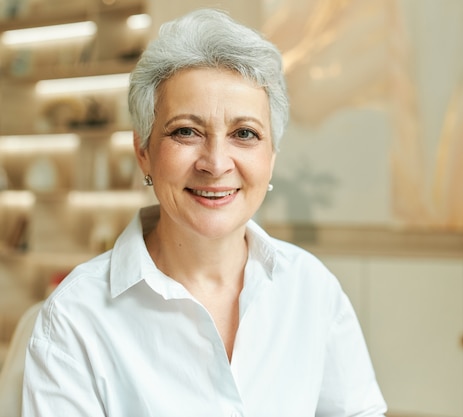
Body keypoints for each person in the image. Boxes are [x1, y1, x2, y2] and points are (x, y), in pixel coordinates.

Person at [22, 8, 387, 416]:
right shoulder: (75, 318)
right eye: (185, 131)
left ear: (272, 157)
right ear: (143, 151)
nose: (215, 163)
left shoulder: (312, 289)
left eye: (244, 134)